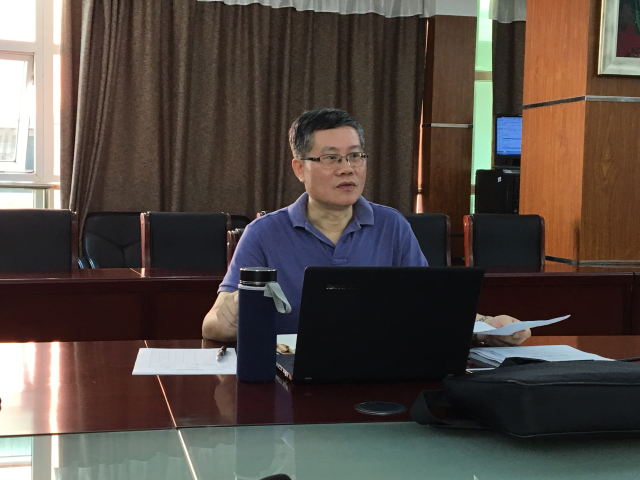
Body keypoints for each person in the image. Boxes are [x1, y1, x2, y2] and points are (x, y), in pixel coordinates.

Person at [202, 108, 531, 347]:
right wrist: (232, 314)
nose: (347, 169)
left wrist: (487, 327)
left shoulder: (392, 225)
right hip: (287, 378)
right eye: (331, 158)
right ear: (300, 168)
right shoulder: (264, 233)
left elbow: (428, 306)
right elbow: (212, 325)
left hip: (377, 373)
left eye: (356, 156)